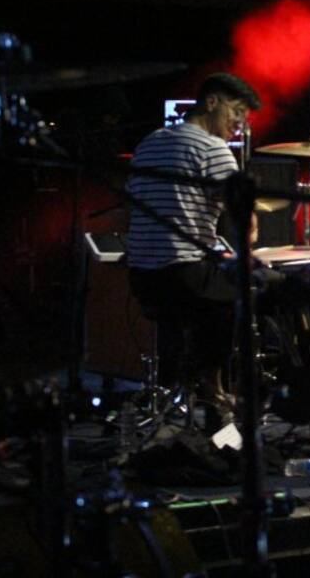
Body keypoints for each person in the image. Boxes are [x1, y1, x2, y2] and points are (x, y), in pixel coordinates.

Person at [125, 72, 261, 416]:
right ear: (211, 102)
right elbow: (244, 221)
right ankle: (214, 391)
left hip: (141, 275)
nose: (240, 124)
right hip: (182, 273)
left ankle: (178, 385)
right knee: (250, 288)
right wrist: (248, 249)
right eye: (236, 112)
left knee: (204, 289)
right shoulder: (212, 148)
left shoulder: (149, 142)